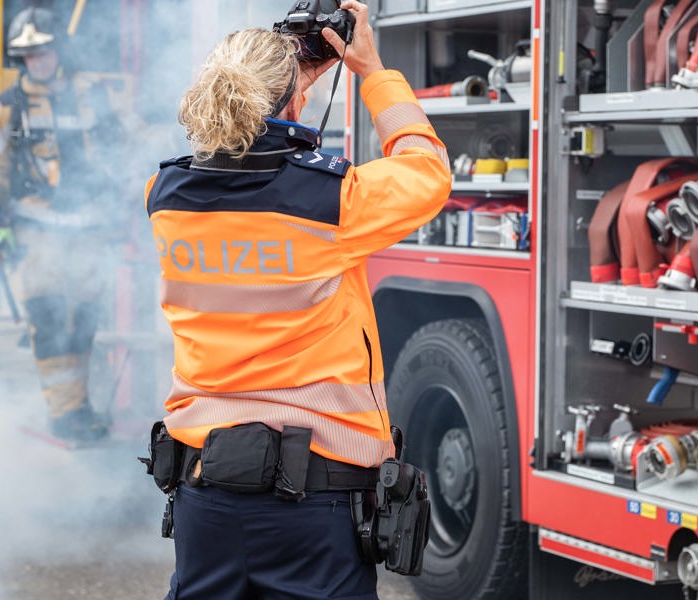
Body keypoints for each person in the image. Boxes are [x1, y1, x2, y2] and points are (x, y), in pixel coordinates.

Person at [142, 2, 450, 598]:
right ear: (289, 104)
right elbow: (427, 169)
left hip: (204, 495)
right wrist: (371, 71)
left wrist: (285, 90)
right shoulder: (333, 202)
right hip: (316, 506)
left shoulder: (165, 197)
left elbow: (229, 156)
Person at [0, 6, 129, 443]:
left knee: (85, 319)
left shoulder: (93, 93)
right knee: (49, 317)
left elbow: (122, 149)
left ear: (58, 49)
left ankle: (79, 407)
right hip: (38, 230)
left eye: (42, 51)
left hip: (90, 227)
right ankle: (63, 411)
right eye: (27, 55)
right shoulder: (8, 106)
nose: (35, 61)